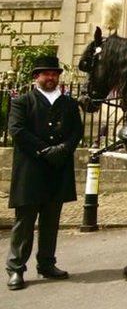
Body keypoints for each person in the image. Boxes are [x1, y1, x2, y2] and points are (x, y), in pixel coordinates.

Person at [5, 55, 83, 290]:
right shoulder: (23, 102)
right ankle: (16, 268)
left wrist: (63, 149)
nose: (51, 78)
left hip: (57, 169)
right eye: (46, 74)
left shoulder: (69, 103)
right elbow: (17, 130)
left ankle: (47, 263)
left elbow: (76, 131)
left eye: (54, 74)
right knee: (24, 223)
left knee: (51, 221)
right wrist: (44, 150)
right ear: (36, 77)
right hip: (31, 170)